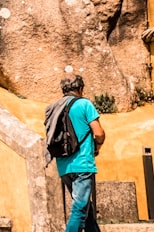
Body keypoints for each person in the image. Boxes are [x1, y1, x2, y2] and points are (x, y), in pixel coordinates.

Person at [50, 74, 106, 232]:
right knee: (80, 208)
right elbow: (99, 133)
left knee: (85, 208)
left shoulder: (56, 107)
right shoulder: (84, 104)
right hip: (82, 164)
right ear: (81, 88)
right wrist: (98, 146)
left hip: (63, 165)